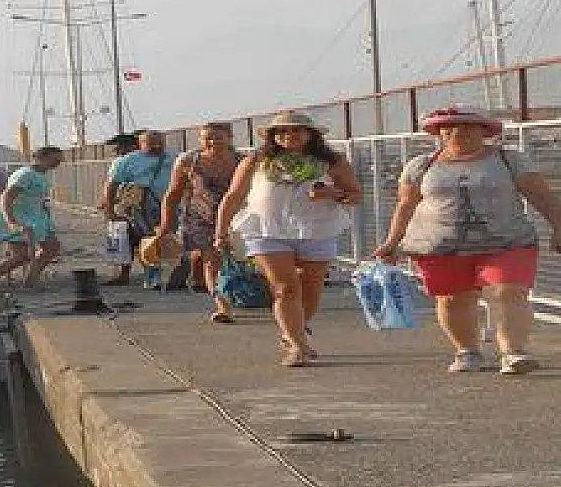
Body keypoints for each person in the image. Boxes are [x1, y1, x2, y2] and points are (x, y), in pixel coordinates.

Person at [375, 105, 561, 375]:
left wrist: (558, 225)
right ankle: (467, 351)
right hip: (439, 246)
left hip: (508, 241)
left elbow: (542, 195)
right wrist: (392, 241)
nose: (456, 132)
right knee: (452, 299)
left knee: (508, 290)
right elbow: (406, 205)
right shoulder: (420, 166)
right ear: (438, 133)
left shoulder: (510, 159)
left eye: (466, 126)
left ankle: (513, 351)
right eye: (447, 128)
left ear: (484, 130)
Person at [214, 111, 362, 367]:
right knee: (285, 288)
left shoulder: (331, 161)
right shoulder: (257, 160)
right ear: (272, 137)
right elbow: (234, 196)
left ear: (310, 135)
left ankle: (295, 329)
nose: (289, 136)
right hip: (267, 230)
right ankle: (298, 346)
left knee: (311, 290)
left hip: (317, 230)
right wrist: (220, 230)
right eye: (282, 132)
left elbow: (355, 195)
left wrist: (332, 193)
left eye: (297, 131)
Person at [160, 122, 245, 322]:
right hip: (201, 218)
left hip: (238, 217)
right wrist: (166, 225)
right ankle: (222, 306)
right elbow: (172, 194)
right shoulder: (188, 161)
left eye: (218, 137)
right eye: (207, 137)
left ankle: (244, 293)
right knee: (212, 261)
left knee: (243, 260)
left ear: (230, 137)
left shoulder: (243, 161)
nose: (213, 141)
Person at [0, 146, 65, 289]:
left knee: (51, 247)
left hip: (35, 217)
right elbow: (6, 197)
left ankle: (31, 280)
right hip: (18, 216)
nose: (58, 162)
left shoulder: (41, 174)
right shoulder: (25, 174)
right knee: (20, 256)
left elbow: (36, 197)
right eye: (55, 159)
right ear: (42, 158)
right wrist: (11, 221)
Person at [103, 130, 177, 289]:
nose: (157, 146)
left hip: (169, 204)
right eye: (151, 143)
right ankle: (152, 276)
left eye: (160, 142)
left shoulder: (174, 159)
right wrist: (109, 210)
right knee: (146, 239)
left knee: (168, 239)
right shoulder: (126, 161)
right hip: (140, 206)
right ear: (140, 144)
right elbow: (111, 186)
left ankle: (173, 275)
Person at [99, 133, 142, 285]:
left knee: (125, 239)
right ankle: (126, 274)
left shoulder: (123, 162)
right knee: (127, 240)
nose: (117, 150)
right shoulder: (131, 161)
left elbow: (111, 186)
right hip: (129, 203)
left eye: (120, 146)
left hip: (133, 206)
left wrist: (109, 208)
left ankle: (124, 275)